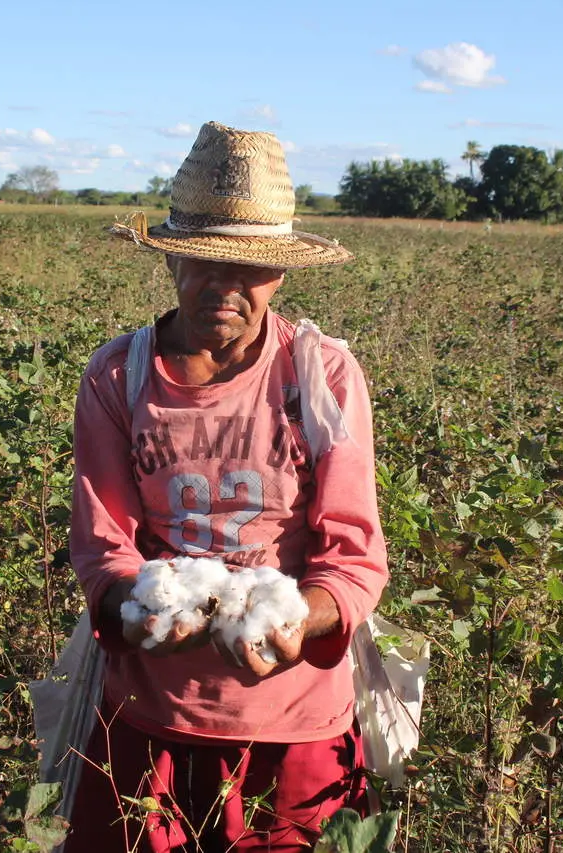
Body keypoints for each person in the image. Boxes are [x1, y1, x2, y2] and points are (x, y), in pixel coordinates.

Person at [65, 121, 388, 852]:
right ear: (172, 256)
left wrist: (293, 621)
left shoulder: (324, 377)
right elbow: (103, 547)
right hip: (149, 722)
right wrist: (143, 612)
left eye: (251, 270)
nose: (225, 287)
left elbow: (354, 557)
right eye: (205, 261)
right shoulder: (119, 377)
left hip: (298, 729)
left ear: (282, 274)